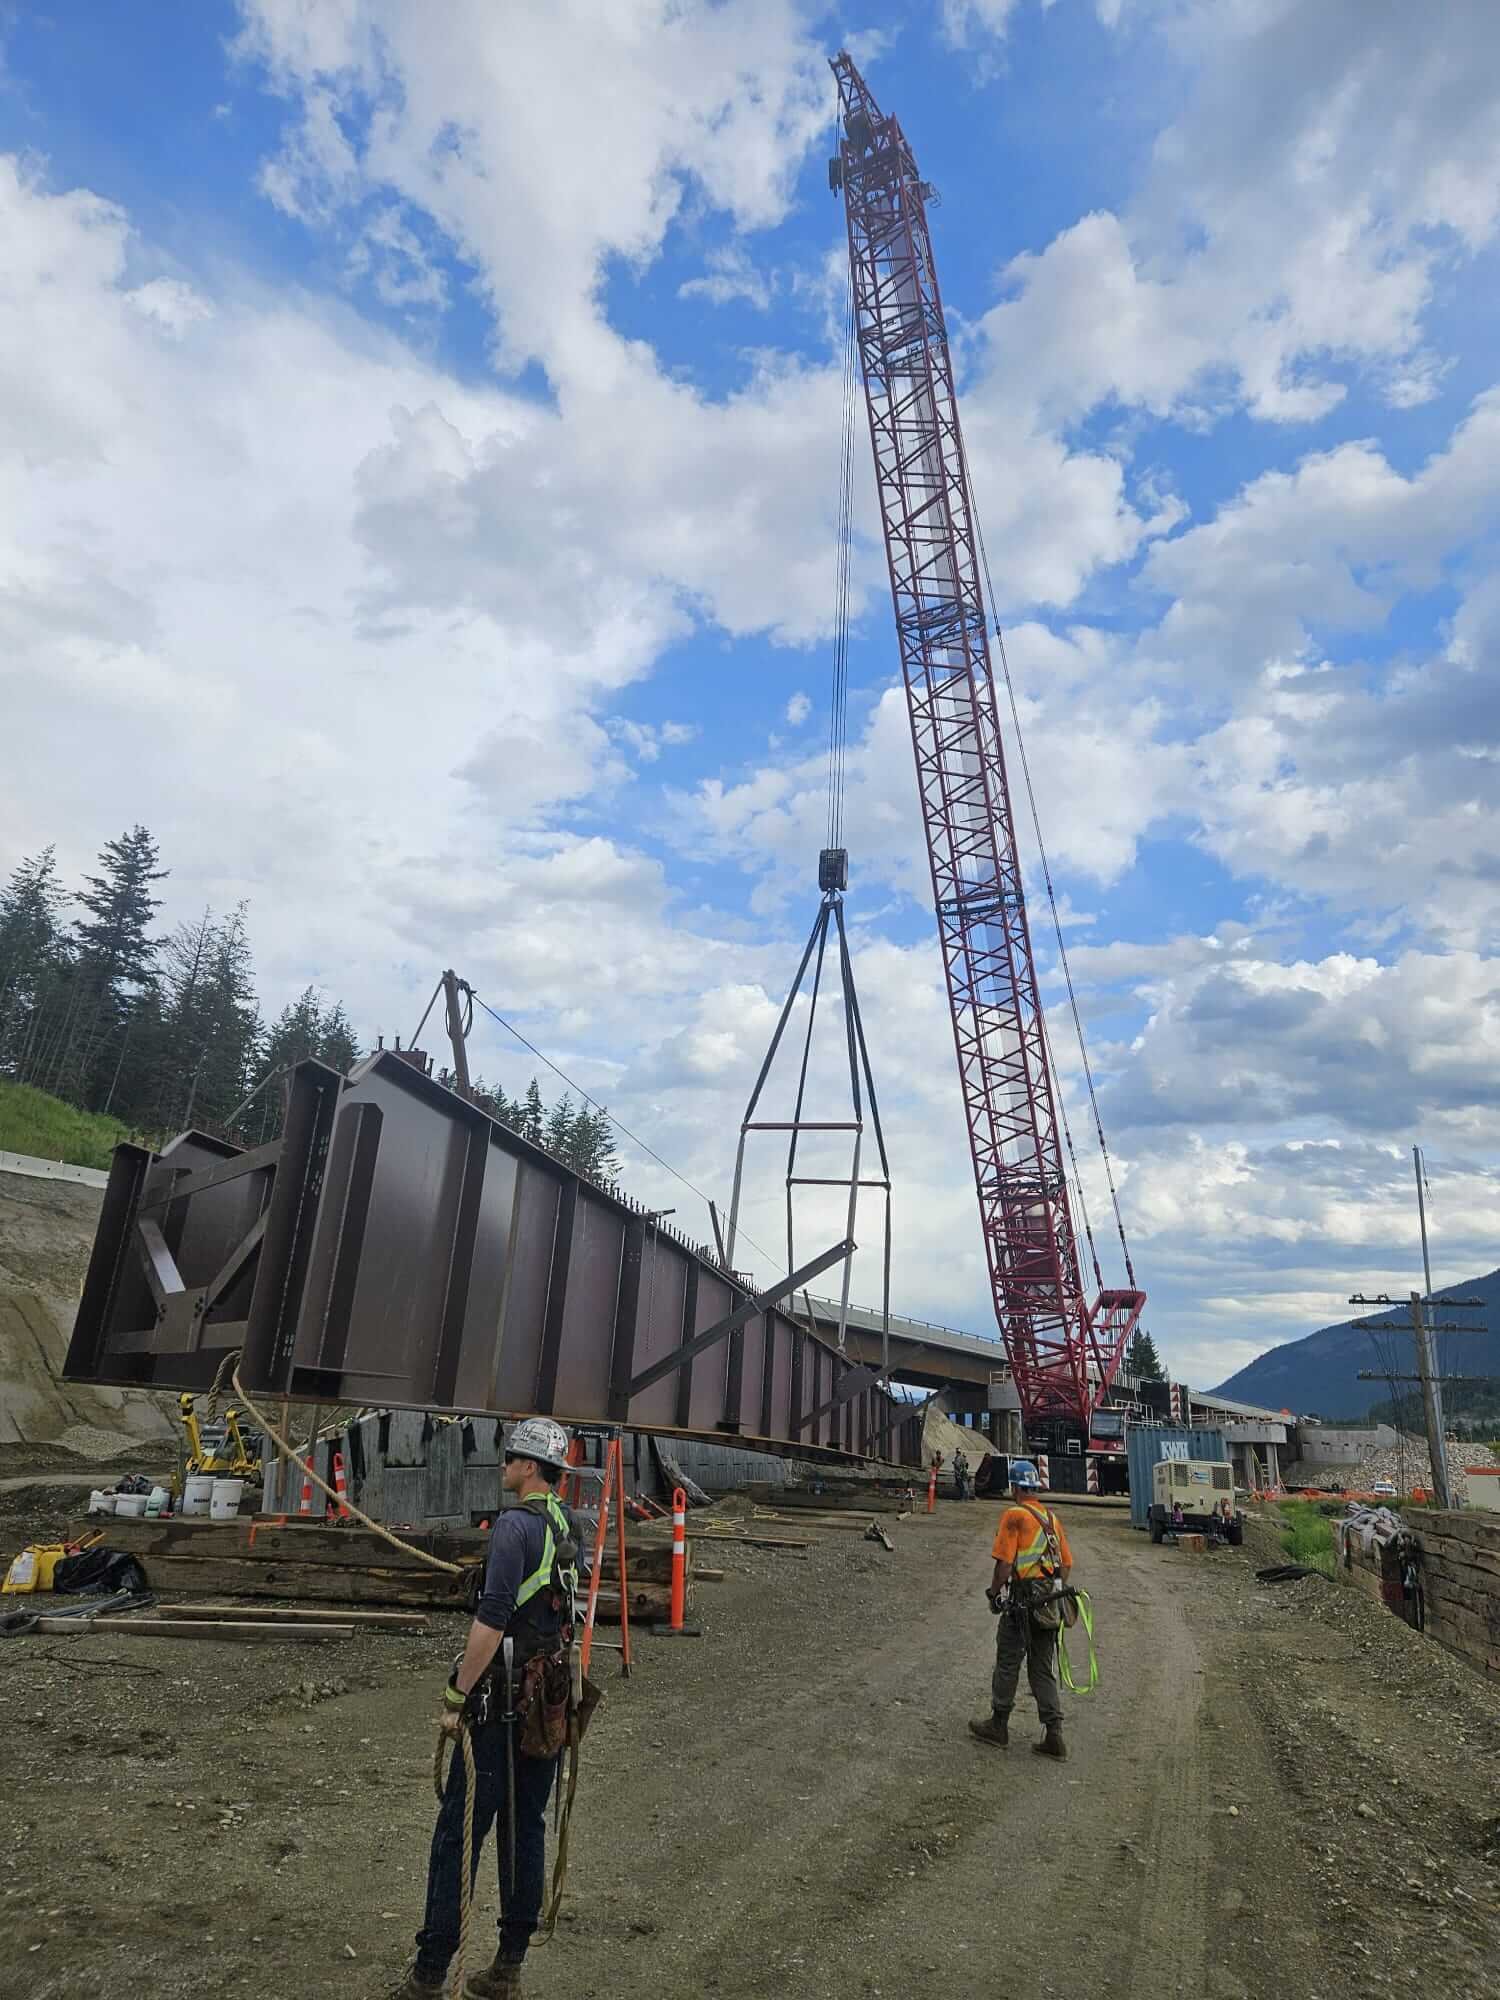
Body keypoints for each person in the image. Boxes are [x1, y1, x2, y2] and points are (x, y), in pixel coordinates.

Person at [391, 1417, 582, 2000]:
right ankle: (508, 1967)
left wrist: (455, 1696)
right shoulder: (567, 1524)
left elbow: (492, 1619)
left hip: (500, 1704)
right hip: (546, 1704)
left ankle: (429, 1975)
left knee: (458, 1834)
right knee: (526, 1828)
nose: (503, 1468)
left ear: (528, 1467)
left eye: (508, 1460)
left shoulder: (514, 1528)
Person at [968, 1462, 1073, 1760]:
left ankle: (998, 1725)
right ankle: (1054, 1735)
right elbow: (1066, 1564)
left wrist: (993, 1593)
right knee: (1041, 1668)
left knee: (1008, 1661)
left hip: (1022, 1603)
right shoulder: (1051, 1518)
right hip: (1048, 1604)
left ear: (1015, 1488)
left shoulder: (1014, 1515)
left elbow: (1003, 1565)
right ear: (1035, 1487)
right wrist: (1049, 1592)